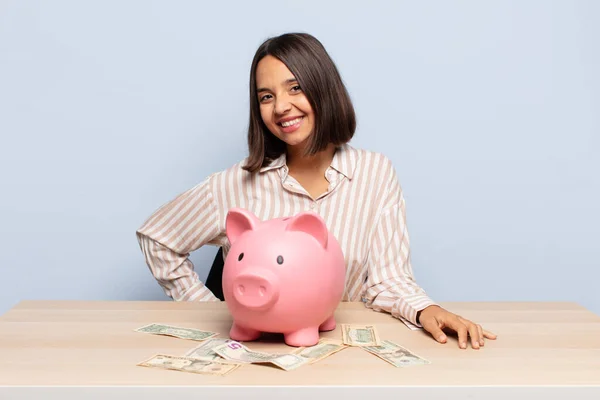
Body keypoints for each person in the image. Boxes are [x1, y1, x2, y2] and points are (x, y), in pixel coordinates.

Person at [136, 32, 497, 350]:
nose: (280, 107)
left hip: (337, 353)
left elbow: (389, 279)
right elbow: (158, 237)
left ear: (323, 88)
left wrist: (427, 310)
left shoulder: (374, 172)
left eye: (295, 88)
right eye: (265, 96)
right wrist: (208, 309)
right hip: (255, 357)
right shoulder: (237, 182)